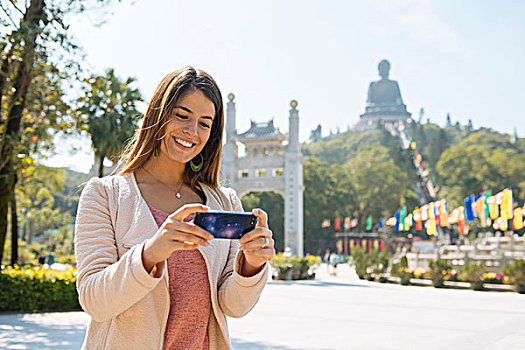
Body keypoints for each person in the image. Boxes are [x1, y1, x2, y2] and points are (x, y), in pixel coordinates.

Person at [74, 66, 275, 350]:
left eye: (205, 124)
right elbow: (95, 301)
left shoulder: (224, 201)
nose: (192, 132)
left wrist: (252, 265)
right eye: (182, 116)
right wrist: (150, 253)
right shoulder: (105, 196)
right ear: (158, 114)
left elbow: (233, 307)